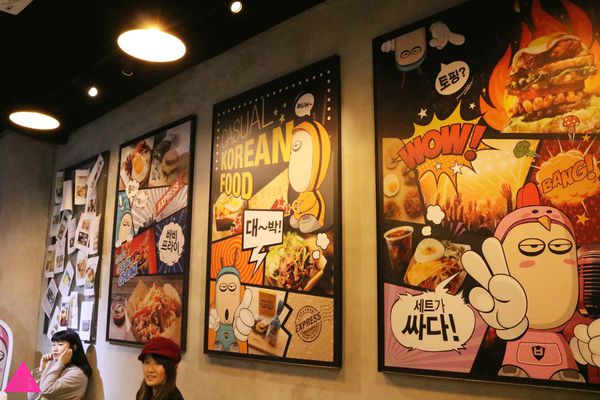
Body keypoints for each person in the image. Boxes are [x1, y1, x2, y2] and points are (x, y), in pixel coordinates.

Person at [38, 329, 91, 400]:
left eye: (60, 344)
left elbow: (45, 391)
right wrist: (43, 368)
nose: (54, 349)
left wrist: (60, 363)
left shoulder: (77, 373)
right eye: (53, 345)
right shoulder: (62, 366)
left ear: (73, 348)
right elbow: (34, 396)